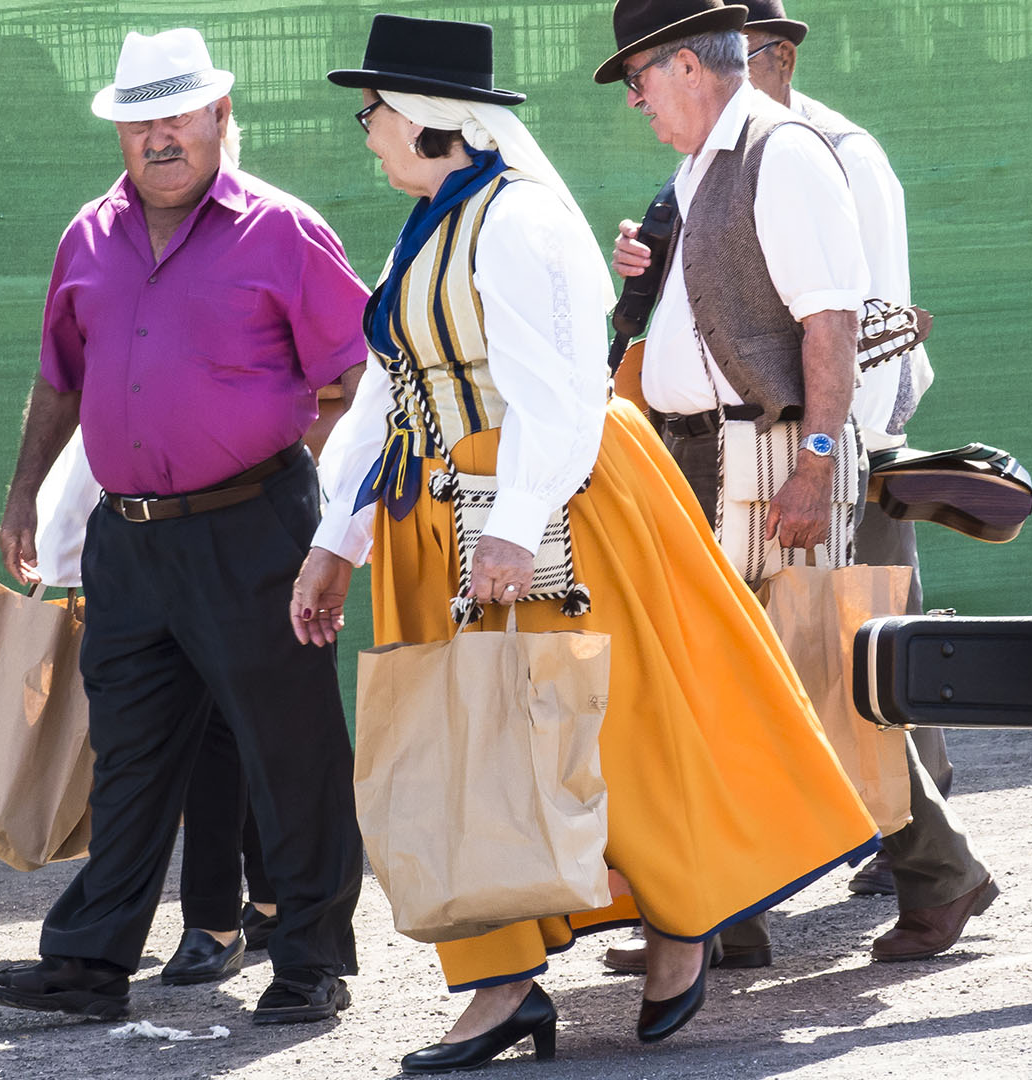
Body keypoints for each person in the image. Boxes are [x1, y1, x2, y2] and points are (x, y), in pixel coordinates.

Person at [293, 14, 878, 1072]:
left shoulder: (517, 223)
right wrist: (336, 539)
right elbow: (391, 389)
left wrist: (513, 528)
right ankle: (501, 984)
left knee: (609, 728)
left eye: (372, 113)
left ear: (428, 124)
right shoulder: (428, 224)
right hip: (443, 518)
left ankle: (681, 917)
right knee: (474, 751)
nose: (366, 130)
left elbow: (561, 392)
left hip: (553, 509)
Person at [0, 27, 366, 1024]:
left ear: (220, 118)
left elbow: (355, 379)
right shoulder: (86, 237)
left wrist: (307, 501)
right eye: (141, 118)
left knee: (291, 750)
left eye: (180, 114)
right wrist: (22, 493)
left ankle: (311, 962)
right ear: (119, 131)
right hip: (129, 537)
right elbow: (59, 379)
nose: (161, 136)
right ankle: (90, 964)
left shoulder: (283, 230)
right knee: (134, 755)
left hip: (255, 527)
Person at [601, 0, 995, 975]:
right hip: (707, 451)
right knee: (719, 677)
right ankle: (722, 908)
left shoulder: (788, 153)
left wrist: (819, 462)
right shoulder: (709, 164)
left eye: (640, 77)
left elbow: (835, 324)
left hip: (772, 452)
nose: (637, 100)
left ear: (686, 63)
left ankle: (940, 874)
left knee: (819, 674)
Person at [30, 433, 281, 986]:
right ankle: (260, 904)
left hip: (245, 515)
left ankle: (219, 921)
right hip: (147, 526)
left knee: (229, 729)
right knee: (221, 727)